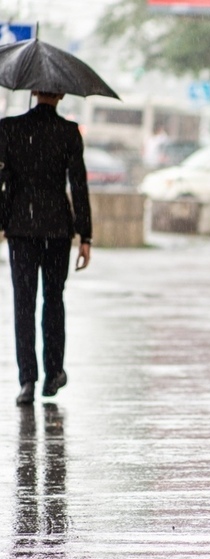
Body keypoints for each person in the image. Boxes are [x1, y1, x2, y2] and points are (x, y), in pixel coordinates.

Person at [0, 91, 92, 406]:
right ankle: (54, 373)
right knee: (53, 300)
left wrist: (2, 222)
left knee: (23, 304)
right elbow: (78, 184)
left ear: (33, 91)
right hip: (57, 230)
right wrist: (86, 235)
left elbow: (4, 181)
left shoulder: (9, 128)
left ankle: (27, 380)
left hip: (21, 229)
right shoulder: (68, 132)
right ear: (62, 93)